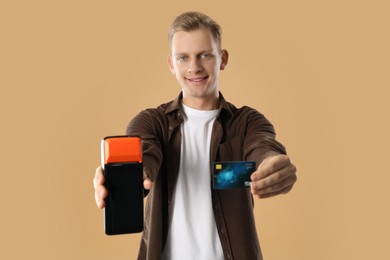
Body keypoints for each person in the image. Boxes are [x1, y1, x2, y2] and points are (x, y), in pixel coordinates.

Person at [93, 11, 297, 260]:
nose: (194, 67)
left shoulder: (247, 122)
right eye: (183, 58)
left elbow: (263, 147)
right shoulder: (151, 122)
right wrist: (132, 176)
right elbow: (146, 153)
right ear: (171, 64)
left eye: (205, 55)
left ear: (222, 59)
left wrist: (272, 165)